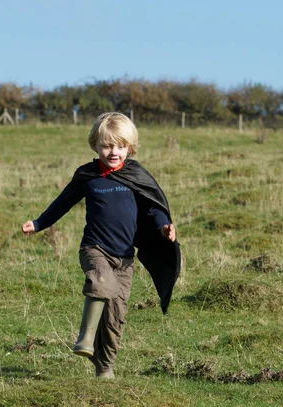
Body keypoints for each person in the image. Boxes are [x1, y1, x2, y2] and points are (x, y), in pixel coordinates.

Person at [21, 112, 181, 379]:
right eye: (107, 146)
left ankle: (104, 368)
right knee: (100, 282)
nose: (114, 152)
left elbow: (153, 208)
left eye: (120, 146)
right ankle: (84, 338)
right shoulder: (88, 176)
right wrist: (38, 223)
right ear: (95, 145)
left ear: (130, 147)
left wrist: (163, 226)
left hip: (125, 259)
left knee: (115, 318)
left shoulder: (135, 175)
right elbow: (62, 203)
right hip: (94, 249)